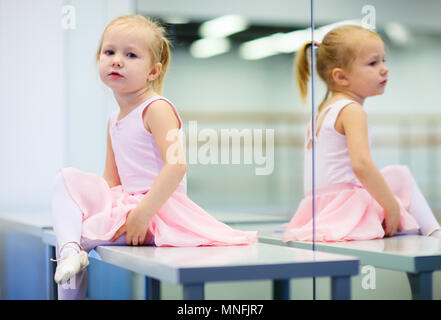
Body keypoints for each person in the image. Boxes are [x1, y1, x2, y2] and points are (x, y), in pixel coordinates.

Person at [51, 14, 257, 299]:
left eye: (131, 54)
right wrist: (97, 211)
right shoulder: (114, 119)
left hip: (158, 209)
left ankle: (72, 250)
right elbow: (111, 179)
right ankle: (70, 251)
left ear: (153, 72)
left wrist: (142, 214)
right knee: (65, 181)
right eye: (109, 52)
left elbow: (177, 165)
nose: (117, 60)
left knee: (79, 235)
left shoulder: (157, 108)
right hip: (129, 203)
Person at [282, 25, 441, 242]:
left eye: (384, 61)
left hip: (317, 210)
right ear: (341, 77)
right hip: (344, 210)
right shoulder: (352, 110)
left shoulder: (321, 113)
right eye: (373, 63)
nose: (384, 69)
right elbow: (362, 165)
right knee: (400, 174)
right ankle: (435, 233)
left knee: (393, 178)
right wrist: (391, 206)